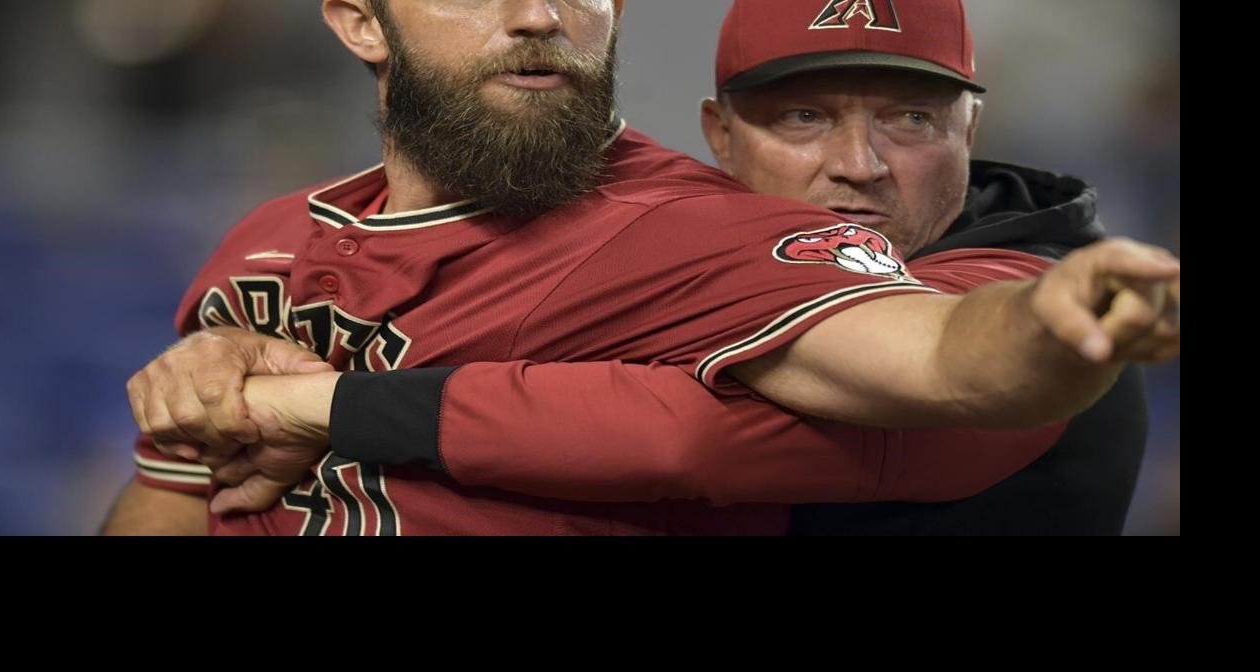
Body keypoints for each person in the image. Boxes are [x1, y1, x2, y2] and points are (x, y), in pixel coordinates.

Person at [104, 0, 1180, 536]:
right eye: (803, 115)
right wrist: (204, 401)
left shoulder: (707, 238)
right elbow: (175, 487)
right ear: (353, 16)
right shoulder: (267, 235)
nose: (856, 165)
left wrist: (312, 405)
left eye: (910, 117)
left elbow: (940, 355)